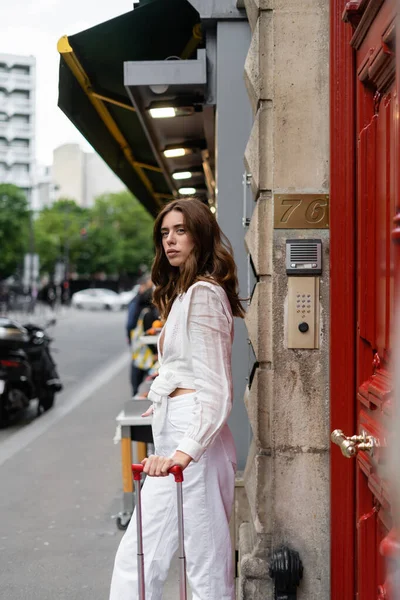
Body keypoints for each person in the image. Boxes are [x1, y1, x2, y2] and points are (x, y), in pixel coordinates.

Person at [110, 198, 245, 600]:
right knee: (141, 554)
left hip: (192, 444)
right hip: (179, 435)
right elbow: (186, 369)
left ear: (200, 235)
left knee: (202, 563)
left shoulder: (203, 294)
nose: (170, 240)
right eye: (165, 232)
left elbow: (217, 388)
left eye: (181, 230)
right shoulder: (185, 293)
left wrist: (183, 453)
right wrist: (163, 399)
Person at [130, 287, 159, 396]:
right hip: (146, 354)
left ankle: (137, 393)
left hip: (140, 352)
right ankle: (138, 395)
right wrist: (155, 352)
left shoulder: (142, 311)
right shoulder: (148, 314)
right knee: (146, 379)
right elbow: (148, 335)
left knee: (139, 378)